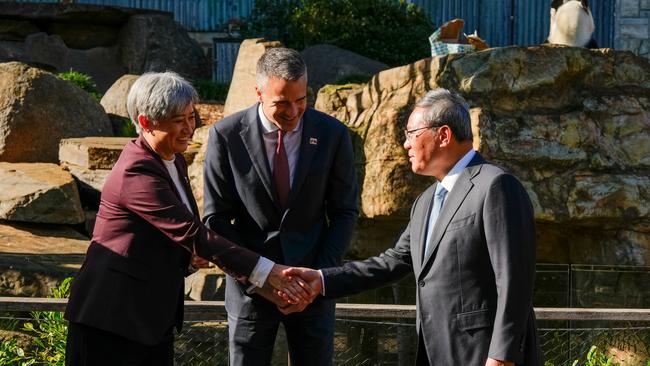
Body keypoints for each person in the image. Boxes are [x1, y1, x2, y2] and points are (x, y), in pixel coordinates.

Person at [64, 71, 308, 366]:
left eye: (191, 117)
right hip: (110, 319)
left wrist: (192, 259)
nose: (188, 128)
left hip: (150, 319)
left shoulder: (173, 158)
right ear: (145, 122)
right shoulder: (137, 170)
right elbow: (193, 233)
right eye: (178, 121)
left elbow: (177, 238)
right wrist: (268, 272)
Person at [284, 89, 543, 366]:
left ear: (443, 135)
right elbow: (393, 261)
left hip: (482, 354)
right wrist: (322, 280)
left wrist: (501, 356)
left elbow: (515, 279)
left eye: (411, 133)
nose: (405, 144)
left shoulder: (495, 185)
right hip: (435, 352)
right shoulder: (425, 202)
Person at [203, 47, 358, 366]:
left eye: (301, 100)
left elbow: (344, 212)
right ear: (259, 92)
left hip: (311, 289)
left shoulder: (332, 134)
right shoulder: (226, 135)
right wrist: (260, 279)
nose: (293, 111)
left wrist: (316, 279)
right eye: (282, 103)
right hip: (250, 293)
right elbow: (215, 221)